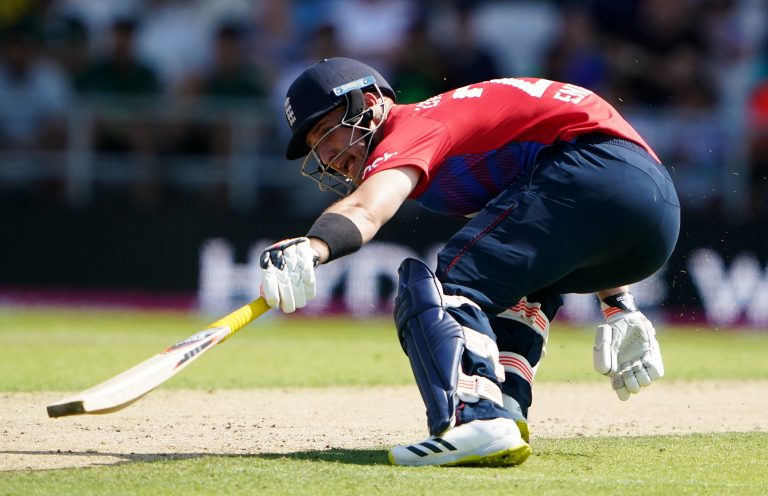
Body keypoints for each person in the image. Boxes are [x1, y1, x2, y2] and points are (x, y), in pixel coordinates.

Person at [259, 57, 680, 467]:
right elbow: (576, 208)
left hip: (594, 174)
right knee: (509, 280)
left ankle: (477, 418)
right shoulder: (457, 130)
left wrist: (313, 247)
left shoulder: (417, 123)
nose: (327, 156)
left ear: (368, 104)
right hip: (653, 214)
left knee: (444, 288)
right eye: (315, 146)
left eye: (324, 131)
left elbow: (367, 211)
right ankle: (507, 409)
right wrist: (619, 305)